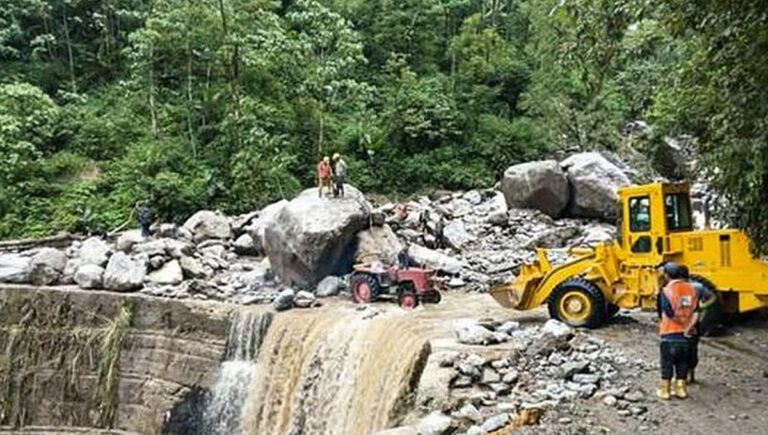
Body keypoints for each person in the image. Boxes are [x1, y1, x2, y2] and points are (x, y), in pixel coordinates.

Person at [656, 262, 699, 400]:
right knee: (682, 363)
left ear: (667, 275)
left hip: (669, 334)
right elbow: (696, 313)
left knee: (667, 363)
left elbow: (667, 312)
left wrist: (679, 322)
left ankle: (665, 391)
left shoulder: (666, 291)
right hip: (686, 335)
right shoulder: (691, 290)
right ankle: (681, 390)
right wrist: (687, 327)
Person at [679, 265, 718, 383]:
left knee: (682, 350)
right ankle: (691, 375)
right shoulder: (697, 286)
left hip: (682, 322)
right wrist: (702, 306)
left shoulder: (678, 289)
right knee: (692, 349)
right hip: (695, 322)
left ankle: (683, 376)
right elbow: (713, 297)